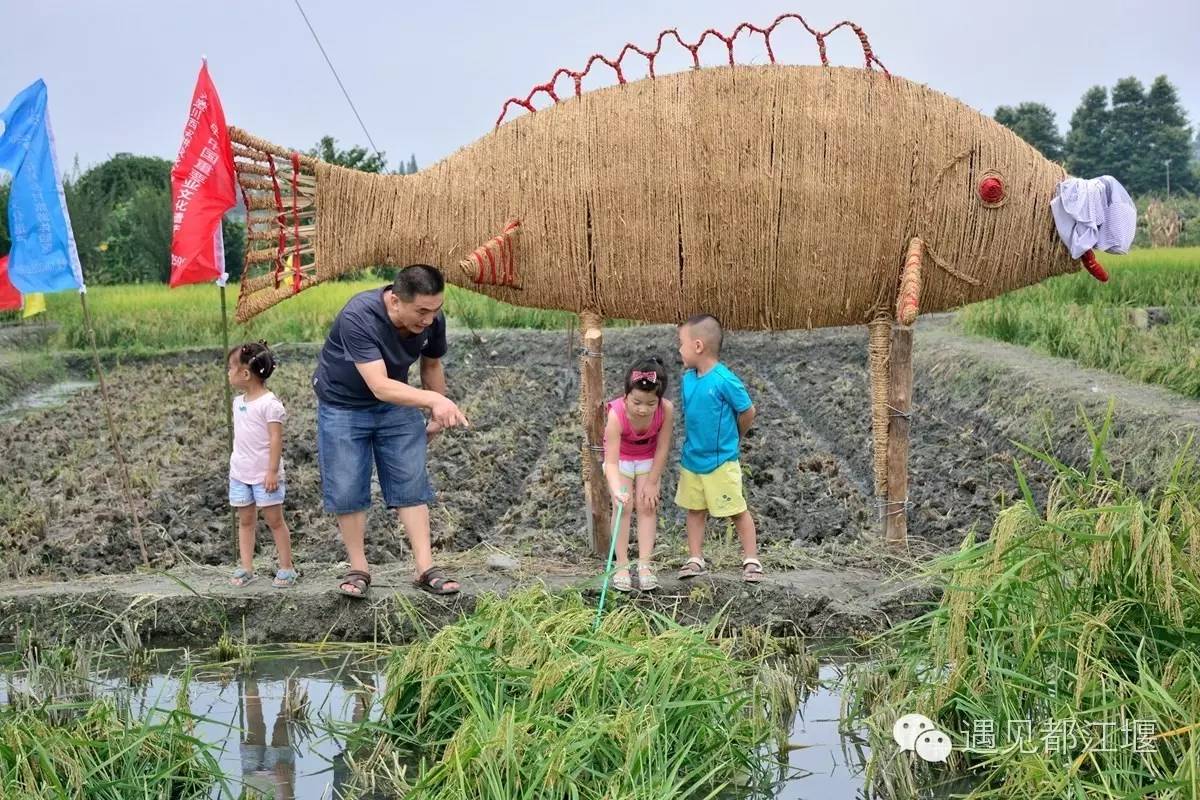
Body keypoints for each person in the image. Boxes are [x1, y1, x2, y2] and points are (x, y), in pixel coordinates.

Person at [314, 264, 469, 598]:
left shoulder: (431, 320)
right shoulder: (360, 316)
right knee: (346, 486)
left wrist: (436, 410)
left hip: (395, 403)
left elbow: (431, 364)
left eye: (435, 310)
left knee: (410, 480)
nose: (428, 319)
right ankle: (358, 569)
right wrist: (431, 400)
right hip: (344, 404)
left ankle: (425, 568)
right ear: (395, 301)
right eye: (422, 311)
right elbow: (379, 386)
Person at [674, 315, 764, 583]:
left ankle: (751, 560)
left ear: (698, 346)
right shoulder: (688, 380)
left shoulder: (725, 380)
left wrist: (735, 437)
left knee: (737, 509)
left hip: (720, 461)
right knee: (694, 510)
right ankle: (695, 558)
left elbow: (748, 411)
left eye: (682, 343)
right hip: (692, 460)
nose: (679, 350)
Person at [227, 341, 297, 588]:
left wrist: (272, 471)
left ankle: (287, 567)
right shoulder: (238, 402)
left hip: (264, 475)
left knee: (274, 520)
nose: (228, 373)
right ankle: (246, 567)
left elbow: (275, 439)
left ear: (245, 373)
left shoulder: (270, 404)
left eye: (230, 368)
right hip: (240, 474)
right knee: (245, 521)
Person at [601, 356, 674, 591]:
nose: (643, 409)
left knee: (647, 505)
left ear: (659, 399)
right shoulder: (616, 415)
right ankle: (621, 564)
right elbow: (610, 462)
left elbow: (663, 447)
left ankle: (644, 564)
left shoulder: (666, 410)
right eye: (637, 402)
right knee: (623, 506)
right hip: (621, 461)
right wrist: (616, 489)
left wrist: (652, 482)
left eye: (651, 404)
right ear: (626, 396)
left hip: (647, 459)